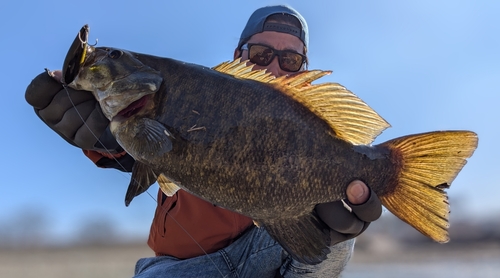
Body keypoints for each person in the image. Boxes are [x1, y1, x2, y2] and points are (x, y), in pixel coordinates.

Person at [25, 5, 382, 278]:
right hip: (182, 268)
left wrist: (338, 219)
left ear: (303, 71)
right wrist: (104, 139)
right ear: (237, 56)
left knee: (337, 238)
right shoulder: (193, 94)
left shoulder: (309, 125)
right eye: (260, 54)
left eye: (289, 59)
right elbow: (141, 152)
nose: (273, 67)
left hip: (274, 254)